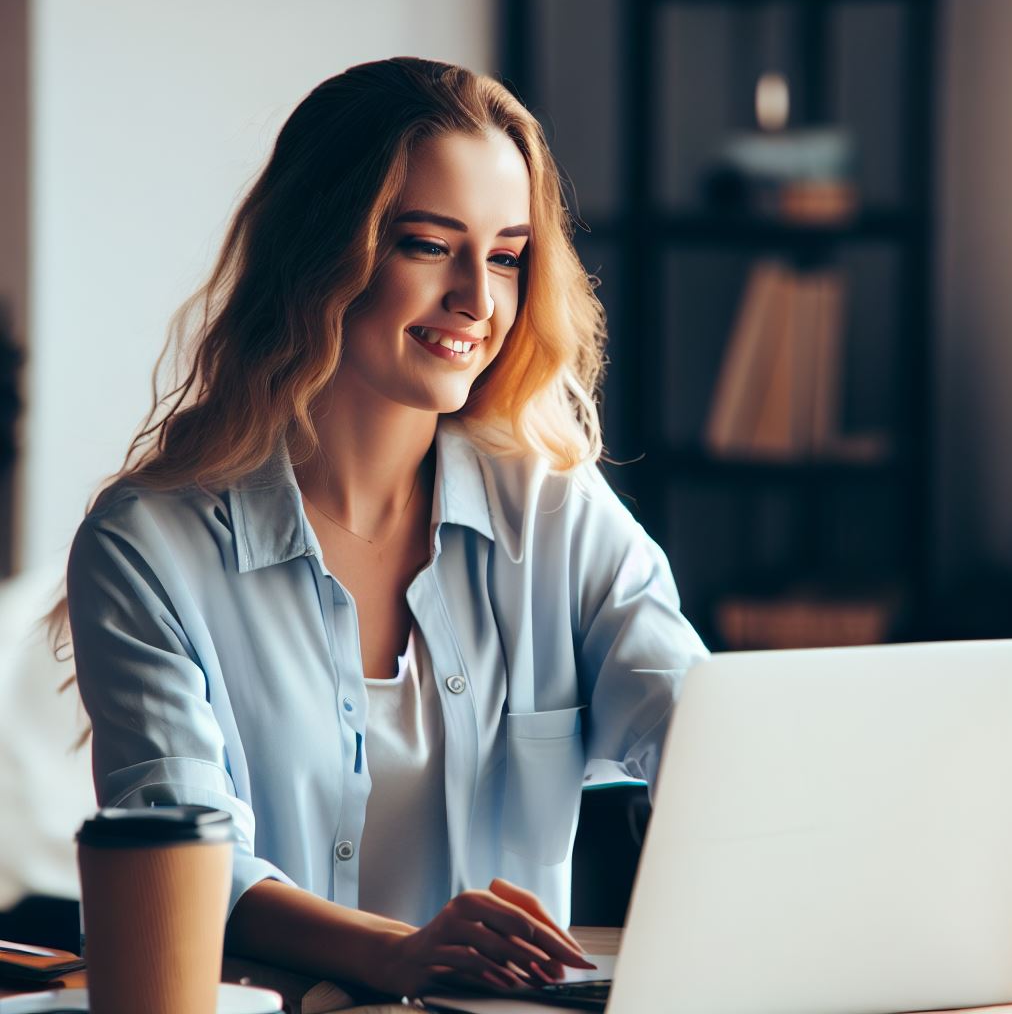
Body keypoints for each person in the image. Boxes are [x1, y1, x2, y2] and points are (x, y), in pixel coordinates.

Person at [61, 57, 707, 1000]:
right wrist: (396, 955)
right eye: (428, 245)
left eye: (505, 255)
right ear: (320, 251)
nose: (478, 304)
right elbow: (183, 861)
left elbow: (695, 723)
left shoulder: (556, 512)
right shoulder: (147, 547)